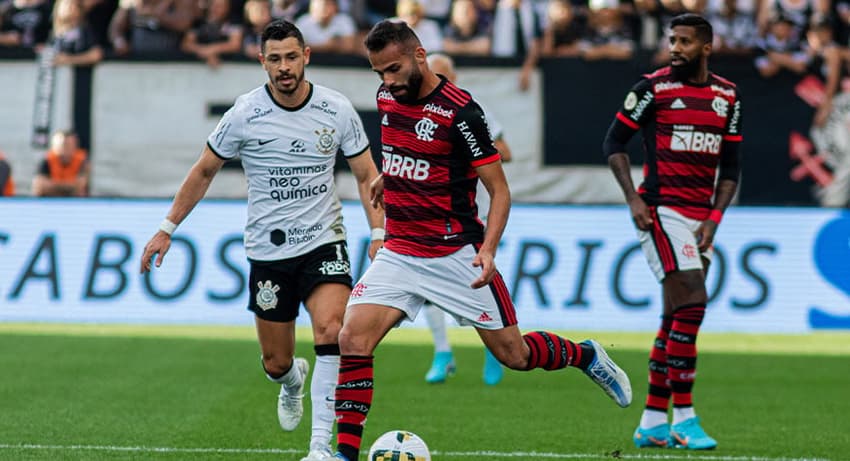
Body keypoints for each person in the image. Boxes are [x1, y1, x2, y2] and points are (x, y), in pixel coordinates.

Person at [319, 20, 632, 461]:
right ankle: (345, 455)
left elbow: (499, 190)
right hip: (401, 251)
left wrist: (487, 250)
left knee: (515, 355)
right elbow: (410, 152)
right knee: (351, 339)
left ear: (419, 56)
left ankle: (585, 355)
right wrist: (389, 178)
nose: (387, 82)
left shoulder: (462, 112)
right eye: (379, 73)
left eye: (392, 69)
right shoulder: (389, 97)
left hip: (455, 253)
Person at [138, 20, 385, 461]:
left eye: (292, 57)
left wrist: (379, 233)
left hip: (324, 240)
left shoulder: (336, 109)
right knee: (276, 362)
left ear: (306, 56)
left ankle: (319, 449)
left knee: (332, 329)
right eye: (275, 59)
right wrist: (166, 228)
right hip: (269, 253)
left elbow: (367, 175)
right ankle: (292, 382)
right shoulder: (244, 114)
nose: (285, 67)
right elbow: (204, 171)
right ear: (262, 62)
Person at [602, 13, 742, 450]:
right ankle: (684, 416)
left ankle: (650, 423)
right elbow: (613, 144)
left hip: (701, 220)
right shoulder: (652, 89)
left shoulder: (727, 96)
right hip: (660, 211)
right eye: (672, 40)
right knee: (694, 303)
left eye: (685, 41)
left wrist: (714, 221)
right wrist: (633, 199)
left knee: (675, 317)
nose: (676, 47)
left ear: (706, 47)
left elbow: (731, 167)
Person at [421, 52, 512, 386]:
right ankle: (442, 353)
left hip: (473, 216)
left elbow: (506, 149)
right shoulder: (418, 110)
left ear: (454, 78)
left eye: (442, 75)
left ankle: (494, 348)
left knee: (475, 286)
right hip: (432, 215)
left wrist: (467, 154)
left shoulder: (472, 109)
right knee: (427, 286)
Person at [32, 130, 90, 197]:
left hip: (74, 201)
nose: (65, 148)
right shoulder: (47, 161)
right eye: (62, 145)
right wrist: (70, 187)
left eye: (68, 145)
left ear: (75, 146)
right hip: (49, 200)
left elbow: (80, 187)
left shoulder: (82, 161)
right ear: (54, 146)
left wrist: (52, 186)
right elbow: (40, 186)